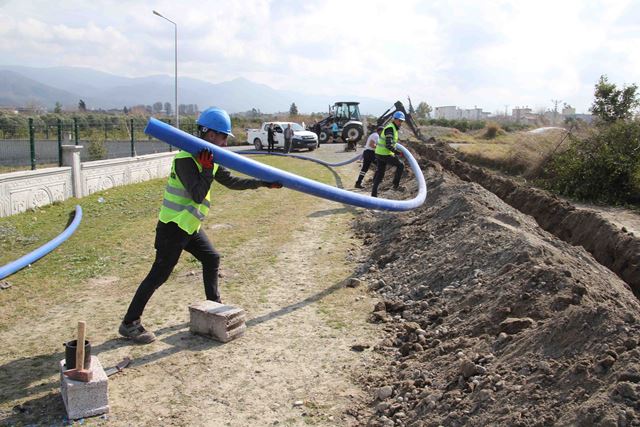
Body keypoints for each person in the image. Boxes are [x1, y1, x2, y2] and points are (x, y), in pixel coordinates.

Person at [119, 107, 283, 344]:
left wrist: (263, 183)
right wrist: (206, 169)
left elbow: (232, 181)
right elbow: (197, 194)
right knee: (158, 275)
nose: (225, 143)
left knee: (211, 258)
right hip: (173, 228)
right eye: (223, 137)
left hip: (189, 226)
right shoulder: (186, 159)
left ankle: (214, 308)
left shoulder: (209, 159)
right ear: (209, 134)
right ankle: (129, 323)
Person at [371, 111, 406, 198]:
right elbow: (388, 145)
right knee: (401, 165)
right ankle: (395, 185)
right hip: (384, 154)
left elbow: (390, 143)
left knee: (380, 174)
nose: (401, 123)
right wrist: (398, 153)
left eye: (402, 121)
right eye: (399, 121)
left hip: (379, 153)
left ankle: (373, 195)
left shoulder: (392, 128)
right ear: (394, 119)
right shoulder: (390, 129)